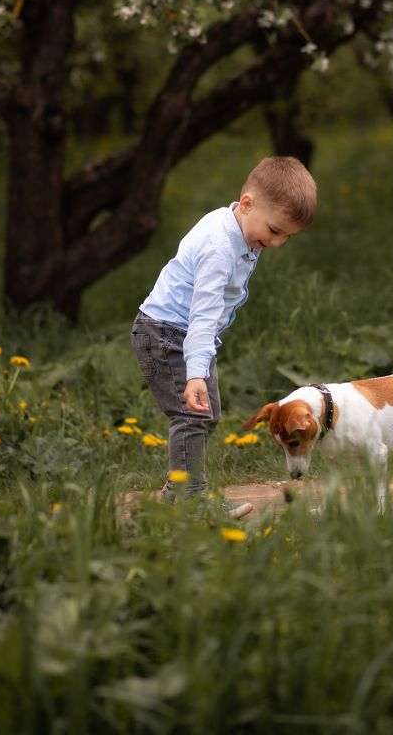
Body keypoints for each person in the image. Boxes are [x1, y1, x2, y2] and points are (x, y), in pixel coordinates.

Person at [131, 156, 317, 518]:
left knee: (207, 414)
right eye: (275, 231)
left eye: (286, 237)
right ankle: (191, 499)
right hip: (166, 334)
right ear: (246, 203)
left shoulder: (240, 226)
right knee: (192, 416)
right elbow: (202, 313)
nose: (277, 243)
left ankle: (176, 494)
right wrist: (196, 373)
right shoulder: (219, 248)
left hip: (186, 335)